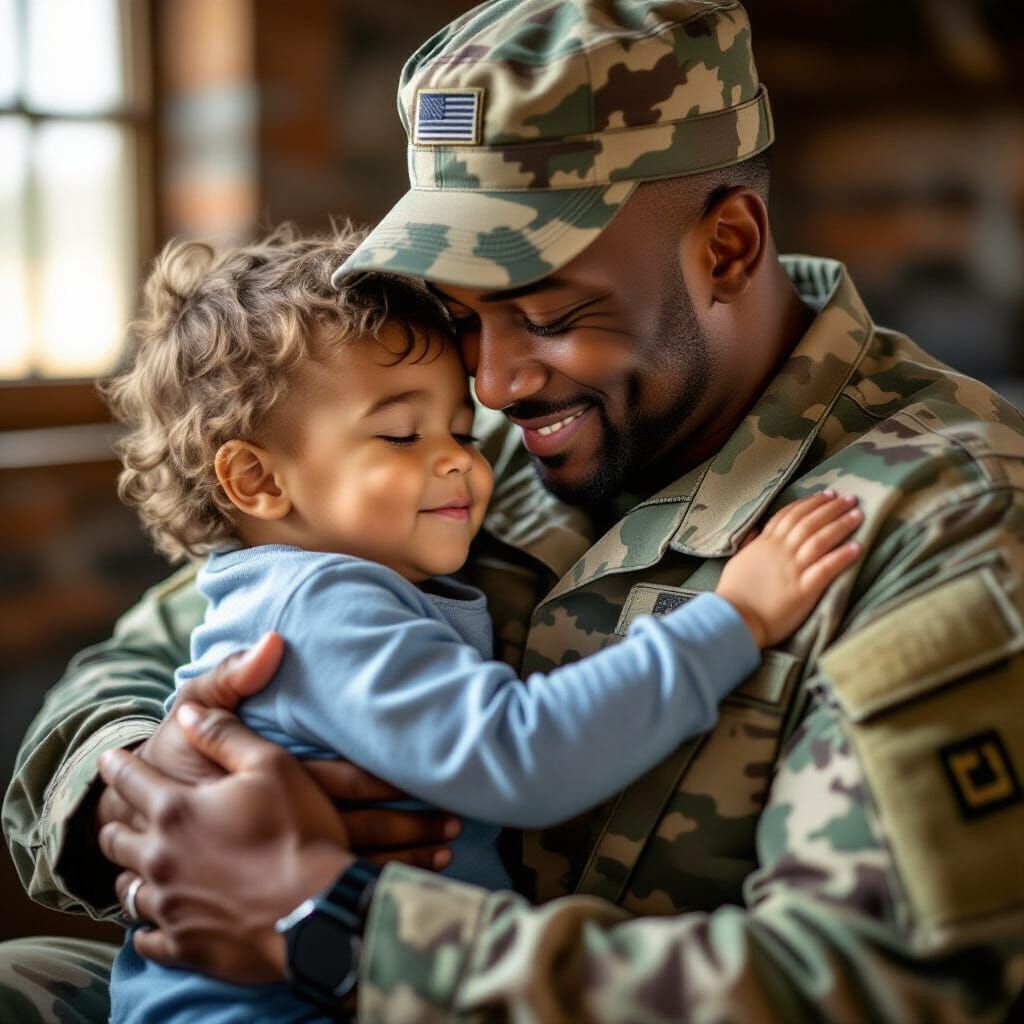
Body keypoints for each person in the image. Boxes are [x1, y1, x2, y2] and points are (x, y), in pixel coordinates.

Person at [4, 0, 1024, 1021]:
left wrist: (335, 930)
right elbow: (144, 655)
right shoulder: (450, 437)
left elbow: (876, 986)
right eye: (461, 317)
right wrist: (145, 790)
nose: (492, 384)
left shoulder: (945, 516)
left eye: (548, 314)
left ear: (726, 246)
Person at [103, 223, 859, 1023]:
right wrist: (735, 619)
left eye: (461, 432)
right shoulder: (325, 607)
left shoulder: (325, 579)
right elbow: (521, 754)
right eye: (402, 435)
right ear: (256, 479)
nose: (460, 460)